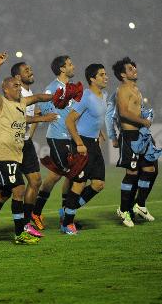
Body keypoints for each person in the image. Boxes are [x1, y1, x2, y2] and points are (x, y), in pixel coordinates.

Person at [0, 52, 55, 247]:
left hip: (15, 155)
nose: (19, 89)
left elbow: (39, 97)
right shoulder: (0, 103)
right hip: (3, 155)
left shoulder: (21, 103)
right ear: (5, 89)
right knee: (17, 190)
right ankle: (12, 231)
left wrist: (58, 97)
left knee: (5, 193)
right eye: (15, 86)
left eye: (19, 86)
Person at [112, 57, 160, 227]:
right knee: (132, 174)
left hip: (142, 135)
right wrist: (143, 121)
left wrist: (144, 116)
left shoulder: (136, 89)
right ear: (123, 74)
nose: (134, 70)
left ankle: (140, 205)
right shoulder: (123, 90)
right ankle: (124, 210)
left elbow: (133, 110)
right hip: (130, 136)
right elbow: (124, 113)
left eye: (134, 67)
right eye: (130, 69)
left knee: (150, 169)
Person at [62, 64, 108, 235]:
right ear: (92, 79)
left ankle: (68, 210)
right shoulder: (85, 96)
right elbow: (69, 121)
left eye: (105, 74)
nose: (106, 77)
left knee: (98, 184)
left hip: (94, 144)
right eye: (102, 74)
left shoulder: (103, 96)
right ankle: (68, 223)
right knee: (79, 184)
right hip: (82, 144)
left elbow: (94, 118)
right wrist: (79, 143)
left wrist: (100, 133)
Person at [32, 56, 76, 230]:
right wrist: (30, 134)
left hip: (72, 136)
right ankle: (56, 213)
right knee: (71, 174)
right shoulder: (52, 88)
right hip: (58, 136)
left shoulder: (73, 88)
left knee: (58, 175)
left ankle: (46, 211)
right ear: (62, 69)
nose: (73, 66)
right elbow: (39, 110)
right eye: (70, 64)